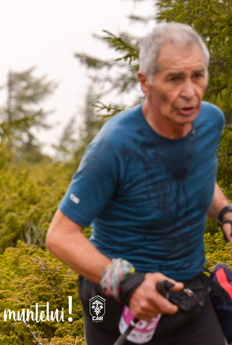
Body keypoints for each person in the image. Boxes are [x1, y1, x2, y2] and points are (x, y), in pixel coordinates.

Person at [45, 22, 231, 344]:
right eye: (175, 78)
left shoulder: (209, 121)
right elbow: (60, 236)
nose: (190, 92)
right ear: (145, 82)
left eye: (198, 76)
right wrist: (129, 284)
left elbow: (199, 173)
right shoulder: (114, 146)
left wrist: (225, 212)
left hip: (188, 296)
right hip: (115, 303)